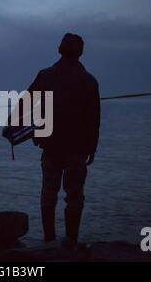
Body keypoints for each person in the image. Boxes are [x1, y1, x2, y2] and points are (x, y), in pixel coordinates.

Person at [28, 33, 100, 245]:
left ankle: (49, 242)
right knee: (74, 197)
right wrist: (92, 148)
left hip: (51, 147)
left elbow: (25, 106)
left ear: (60, 49)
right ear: (80, 52)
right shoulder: (89, 80)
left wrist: (35, 134)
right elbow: (94, 119)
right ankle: (70, 243)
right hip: (77, 149)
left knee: (48, 194)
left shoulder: (45, 75)